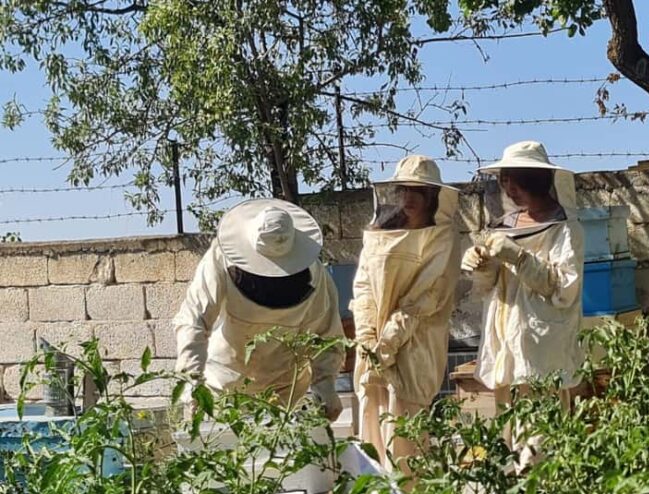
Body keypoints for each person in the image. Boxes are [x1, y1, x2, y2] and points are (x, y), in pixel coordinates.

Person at [461, 141, 584, 460]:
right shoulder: (505, 226)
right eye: (503, 180)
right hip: (505, 343)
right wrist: (480, 264)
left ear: (532, 178)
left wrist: (518, 258)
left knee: (539, 443)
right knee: (508, 437)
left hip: (540, 350)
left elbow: (562, 288)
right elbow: (489, 288)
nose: (507, 188)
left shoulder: (565, 230)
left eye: (513, 179)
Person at [173, 198, 344, 420]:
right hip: (225, 386)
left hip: (287, 390)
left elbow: (327, 335)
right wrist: (191, 379)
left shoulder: (315, 274)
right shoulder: (219, 259)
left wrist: (326, 385)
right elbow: (194, 319)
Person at [351, 155, 460, 470]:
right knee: (371, 445)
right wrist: (367, 335)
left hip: (414, 350)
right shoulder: (378, 233)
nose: (409, 198)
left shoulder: (442, 237)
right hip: (372, 352)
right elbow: (363, 287)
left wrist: (386, 345)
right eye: (404, 190)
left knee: (406, 446)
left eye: (418, 191)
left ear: (432, 196)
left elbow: (426, 297)